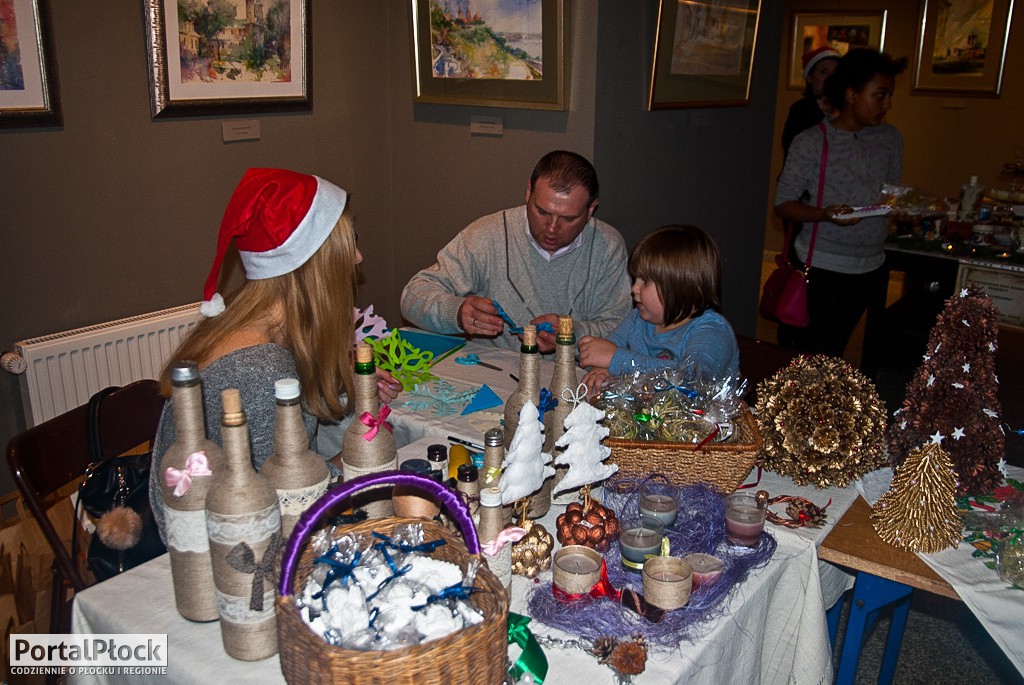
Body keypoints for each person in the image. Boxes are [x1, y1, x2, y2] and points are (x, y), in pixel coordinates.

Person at [149, 167, 399, 542]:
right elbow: (280, 511)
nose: (358, 257)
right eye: (348, 245)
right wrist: (346, 466)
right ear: (314, 265)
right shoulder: (260, 369)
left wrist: (338, 383)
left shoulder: (248, 327)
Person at [400, 150, 631, 353]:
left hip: (575, 376)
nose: (552, 228)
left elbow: (624, 329)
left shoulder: (607, 247)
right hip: (491, 371)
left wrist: (571, 334)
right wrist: (457, 312)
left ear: (591, 210)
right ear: (528, 193)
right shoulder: (487, 235)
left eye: (568, 218)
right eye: (542, 212)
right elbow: (413, 297)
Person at [774, 48, 907, 358]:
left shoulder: (890, 138)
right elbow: (783, 204)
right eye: (880, 95)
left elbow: (892, 193)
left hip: (871, 265)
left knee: (836, 351)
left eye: (889, 95)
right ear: (851, 94)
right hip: (822, 267)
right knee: (807, 354)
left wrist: (905, 206)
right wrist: (825, 214)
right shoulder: (812, 141)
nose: (887, 104)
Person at [577, 225, 740, 394]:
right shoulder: (637, 319)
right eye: (635, 279)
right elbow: (601, 355)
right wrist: (601, 370)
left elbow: (693, 381)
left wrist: (617, 360)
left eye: (645, 281)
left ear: (679, 286)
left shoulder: (712, 331)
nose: (634, 288)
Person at [781, 46, 840, 159]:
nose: (830, 77)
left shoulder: (847, 109)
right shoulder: (801, 110)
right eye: (823, 72)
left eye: (835, 72)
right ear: (810, 78)